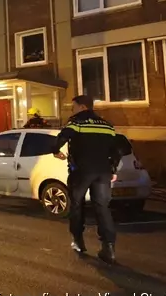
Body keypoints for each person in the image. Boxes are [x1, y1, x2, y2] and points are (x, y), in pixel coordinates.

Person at [51, 95, 121, 265]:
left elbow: (61, 138)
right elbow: (117, 149)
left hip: (82, 172)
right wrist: (112, 169)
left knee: (77, 204)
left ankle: (78, 241)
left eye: (73, 107)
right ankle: (109, 247)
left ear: (82, 107)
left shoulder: (77, 123)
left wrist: (55, 151)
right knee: (102, 207)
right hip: (103, 172)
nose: (72, 110)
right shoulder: (107, 125)